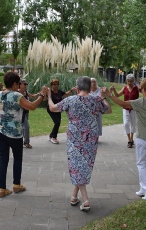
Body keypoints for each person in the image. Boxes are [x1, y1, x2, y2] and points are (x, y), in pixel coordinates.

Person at [48, 76, 112, 211]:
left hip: (74, 138)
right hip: (91, 139)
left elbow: (53, 108)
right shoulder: (95, 100)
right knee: (82, 165)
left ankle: (85, 199)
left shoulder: (70, 100)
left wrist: (48, 96)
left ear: (77, 88)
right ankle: (74, 196)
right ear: (90, 87)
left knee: (77, 165)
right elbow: (108, 110)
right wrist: (103, 96)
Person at [0, 72, 49, 198]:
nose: (20, 86)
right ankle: (16, 185)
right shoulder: (16, 95)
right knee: (17, 158)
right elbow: (32, 106)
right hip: (14, 132)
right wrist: (42, 94)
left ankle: (1, 188)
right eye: (19, 83)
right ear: (15, 83)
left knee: (3, 159)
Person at [110, 74, 140, 148]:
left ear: (134, 81)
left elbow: (145, 93)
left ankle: (131, 139)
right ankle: (129, 138)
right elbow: (117, 95)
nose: (129, 83)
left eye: (131, 81)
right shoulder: (124, 88)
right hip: (125, 108)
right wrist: (114, 90)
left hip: (134, 108)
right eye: (128, 81)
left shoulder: (136, 88)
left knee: (133, 124)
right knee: (126, 123)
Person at [47, 78, 75, 144]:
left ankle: (51, 135)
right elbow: (45, 99)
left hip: (58, 109)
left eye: (57, 84)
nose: (55, 86)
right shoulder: (49, 92)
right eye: (54, 84)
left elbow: (65, 94)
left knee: (58, 123)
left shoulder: (59, 91)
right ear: (51, 85)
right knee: (57, 122)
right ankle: (54, 137)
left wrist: (71, 90)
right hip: (51, 109)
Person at [18, 79, 39, 148]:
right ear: (20, 85)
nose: (25, 85)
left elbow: (32, 96)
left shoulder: (25, 92)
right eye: (24, 84)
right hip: (21, 113)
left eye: (26, 84)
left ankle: (21, 141)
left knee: (22, 127)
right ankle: (26, 142)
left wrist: (40, 94)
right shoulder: (17, 93)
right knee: (26, 127)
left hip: (26, 112)